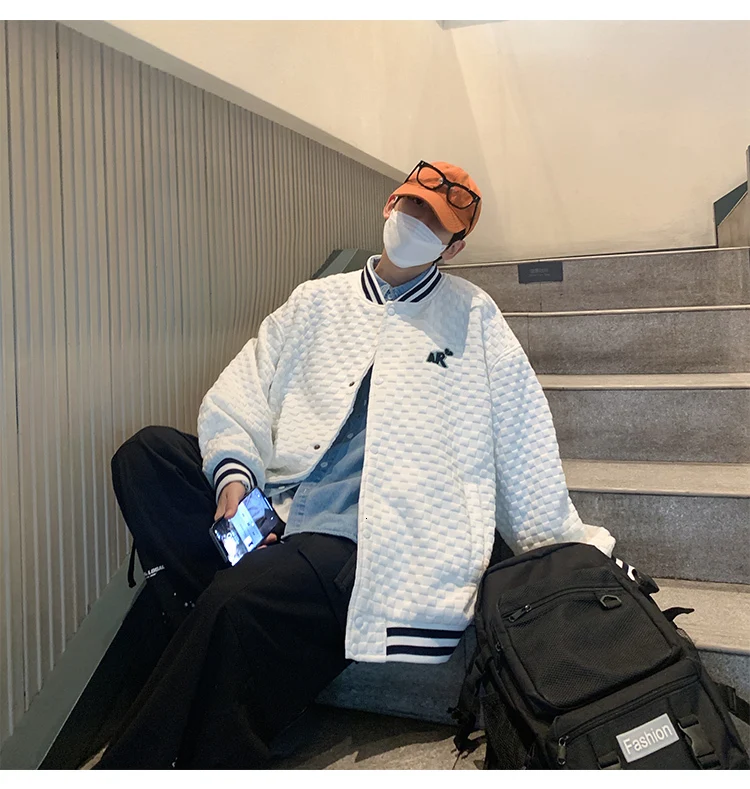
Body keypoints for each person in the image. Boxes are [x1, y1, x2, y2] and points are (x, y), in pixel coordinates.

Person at [95, 160, 615, 769]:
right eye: (412, 206)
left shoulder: (473, 317)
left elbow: (520, 434)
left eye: (435, 222)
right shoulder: (317, 299)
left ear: (454, 246)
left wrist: (567, 548)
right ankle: (238, 621)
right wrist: (235, 474)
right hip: (282, 499)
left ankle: (197, 686)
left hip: (362, 533)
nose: (416, 223)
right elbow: (246, 386)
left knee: (235, 603)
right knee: (148, 455)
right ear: (390, 205)